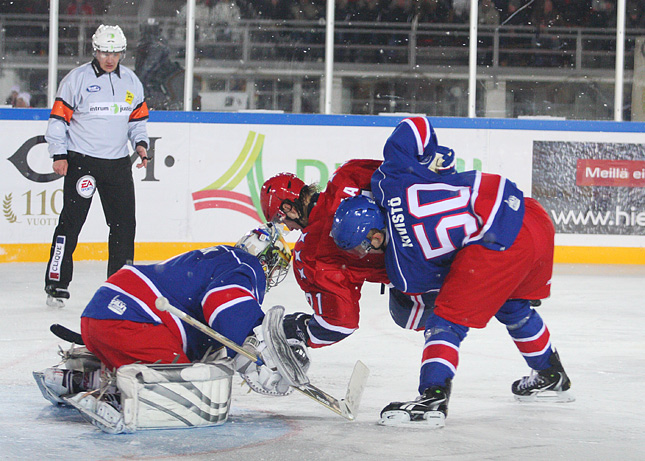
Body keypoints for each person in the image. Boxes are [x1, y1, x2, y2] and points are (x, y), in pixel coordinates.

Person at [331, 116, 573, 427]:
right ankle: (551, 374)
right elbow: (416, 125)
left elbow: (419, 316)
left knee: (445, 322)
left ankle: (433, 399)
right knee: (511, 305)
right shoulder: (389, 179)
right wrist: (433, 157)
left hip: (498, 244)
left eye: (363, 245)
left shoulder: (403, 269)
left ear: (374, 234)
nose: (366, 253)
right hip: (529, 215)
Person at [36, 223, 300, 404]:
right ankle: (116, 393)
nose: (274, 274)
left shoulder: (220, 257)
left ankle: (81, 376)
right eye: (276, 266)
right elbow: (224, 303)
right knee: (187, 387)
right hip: (131, 322)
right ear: (268, 259)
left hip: (102, 314)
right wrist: (249, 356)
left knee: (179, 362)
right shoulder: (247, 266)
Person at [259, 162, 437, 351]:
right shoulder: (348, 175)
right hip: (451, 224)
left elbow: (340, 323)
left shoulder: (311, 251)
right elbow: (405, 171)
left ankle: (447, 329)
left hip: (420, 276)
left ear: (289, 208)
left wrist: (303, 330)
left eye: (281, 219)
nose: (288, 227)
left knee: (405, 313)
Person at [44, 24, 150, 308]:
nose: (110, 58)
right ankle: (56, 282)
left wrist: (140, 144)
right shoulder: (75, 80)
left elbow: (137, 122)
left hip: (117, 165)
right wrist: (59, 154)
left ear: (122, 53)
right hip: (82, 162)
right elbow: (57, 121)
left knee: (124, 226)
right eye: (105, 51)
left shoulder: (131, 81)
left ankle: (120, 284)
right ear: (95, 50)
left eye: (115, 53)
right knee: (71, 222)